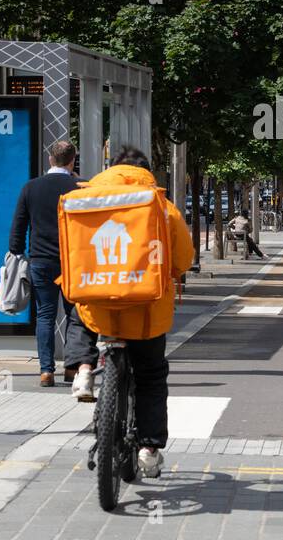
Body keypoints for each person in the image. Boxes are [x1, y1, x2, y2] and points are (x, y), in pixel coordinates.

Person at [66, 146, 194, 478]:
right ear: (146, 172)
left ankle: (82, 368)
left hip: (99, 302)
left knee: (80, 312)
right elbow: (182, 260)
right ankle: (149, 450)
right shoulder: (162, 207)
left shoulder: (88, 198)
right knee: (151, 377)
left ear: (112, 168)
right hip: (146, 312)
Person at [9, 140, 85, 389]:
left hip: (41, 260)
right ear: (73, 160)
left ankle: (46, 371)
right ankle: (73, 368)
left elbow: (19, 226)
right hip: (73, 261)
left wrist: (17, 251)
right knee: (75, 314)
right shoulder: (81, 188)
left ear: (50, 159)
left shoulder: (31, 187)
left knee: (45, 315)